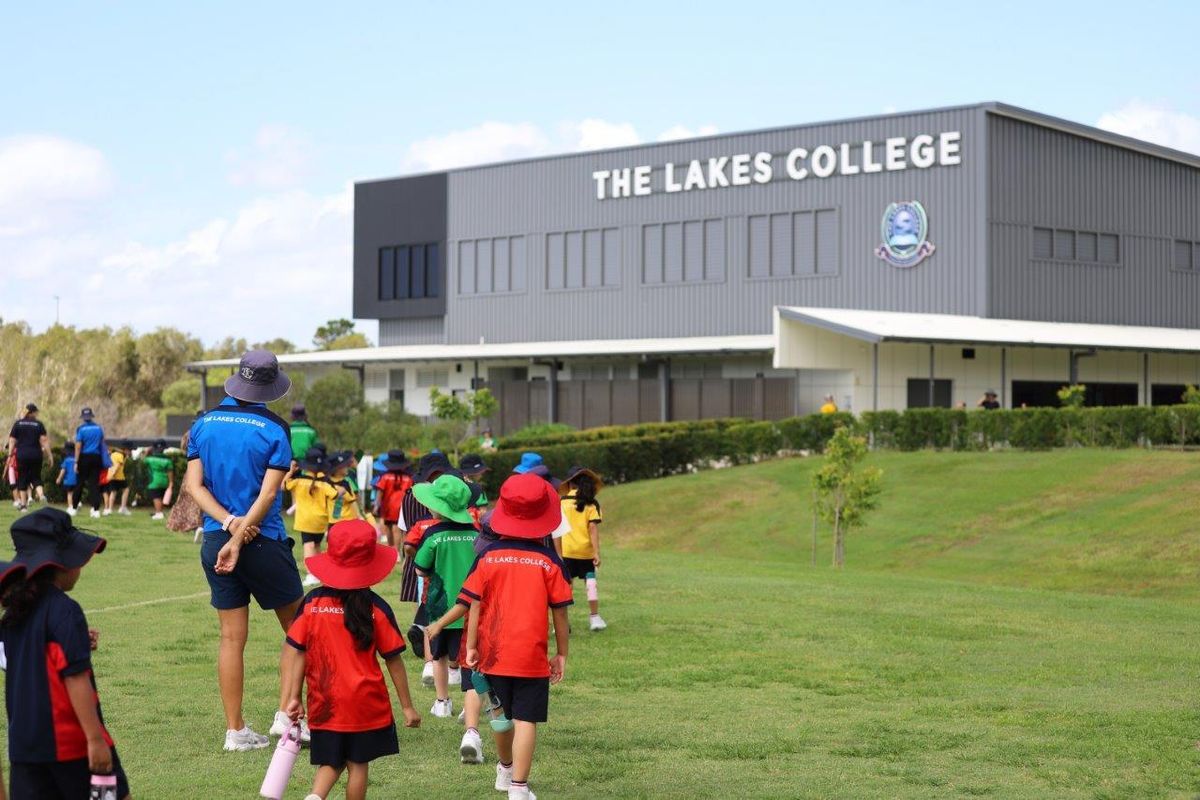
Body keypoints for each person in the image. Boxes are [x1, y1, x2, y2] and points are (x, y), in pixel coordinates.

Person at [183, 349, 307, 752]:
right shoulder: (275, 428)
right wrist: (241, 534)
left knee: (230, 639)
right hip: (263, 541)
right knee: (301, 631)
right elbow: (270, 494)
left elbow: (194, 487)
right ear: (272, 386)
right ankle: (288, 716)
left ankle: (235, 731)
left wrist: (228, 525)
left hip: (216, 539)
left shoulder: (203, 423)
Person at [427, 473, 572, 800]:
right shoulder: (549, 561)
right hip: (530, 656)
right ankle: (519, 786)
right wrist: (562, 653)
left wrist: (472, 646)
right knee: (526, 720)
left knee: (500, 715)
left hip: (492, 655)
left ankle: (505, 769)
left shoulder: (487, 557)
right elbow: (560, 613)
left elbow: (472, 603)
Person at [281, 519, 420, 800]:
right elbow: (394, 660)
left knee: (331, 760)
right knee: (358, 763)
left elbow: (298, 651)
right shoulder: (377, 608)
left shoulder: (312, 603)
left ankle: (315, 796)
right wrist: (407, 707)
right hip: (365, 703)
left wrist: (293, 696)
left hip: (324, 701)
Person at [1, 508, 131, 799]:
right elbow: (75, 679)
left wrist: (77, 641)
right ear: (63, 564)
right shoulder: (66, 611)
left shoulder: (14, 612)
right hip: (75, 745)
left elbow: (25, 658)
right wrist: (95, 740)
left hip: (24, 749)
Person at [412, 475, 479, 727]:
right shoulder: (476, 533)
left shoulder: (433, 534)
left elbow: (420, 568)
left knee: (438, 656)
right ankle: (471, 704)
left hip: (440, 607)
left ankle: (442, 702)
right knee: (471, 657)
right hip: (471, 608)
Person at [556, 466, 607, 632]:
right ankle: (595, 618)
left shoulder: (561, 503)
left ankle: (562, 623)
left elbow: (556, 529)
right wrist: (596, 552)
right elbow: (593, 528)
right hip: (586, 552)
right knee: (590, 582)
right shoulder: (592, 504)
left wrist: (557, 553)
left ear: (570, 484)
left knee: (566, 586)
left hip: (566, 552)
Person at [284, 449, 337, 588]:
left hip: (305, 520)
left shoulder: (298, 481)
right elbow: (335, 495)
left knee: (308, 546)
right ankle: (319, 572)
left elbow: (283, 485)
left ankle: (311, 574)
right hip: (321, 521)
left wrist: (291, 471)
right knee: (317, 546)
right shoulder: (324, 483)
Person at [8, 403, 51, 512]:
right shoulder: (38, 424)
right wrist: (50, 455)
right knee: (36, 477)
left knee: (22, 478)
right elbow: (44, 440)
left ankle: (23, 506)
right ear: (33, 413)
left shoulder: (18, 423)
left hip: (22, 455)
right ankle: (41, 495)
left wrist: (10, 455)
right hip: (36, 455)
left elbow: (12, 440)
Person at [372, 450, 412, 549]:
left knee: (388, 527)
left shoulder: (385, 477)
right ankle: (397, 550)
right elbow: (411, 493)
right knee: (397, 528)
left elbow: (380, 492)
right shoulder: (408, 478)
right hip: (402, 507)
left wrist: (376, 506)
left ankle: (390, 548)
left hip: (388, 507)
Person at [72, 408, 106, 519]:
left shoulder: (81, 429)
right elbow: (102, 444)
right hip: (96, 457)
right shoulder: (99, 428)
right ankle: (96, 510)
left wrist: (76, 461)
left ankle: (74, 508)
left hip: (84, 457)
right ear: (91, 416)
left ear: (83, 417)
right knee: (94, 484)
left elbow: (78, 446)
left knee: (80, 483)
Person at [143, 440, 174, 521]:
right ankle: (159, 512)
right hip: (165, 481)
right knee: (160, 496)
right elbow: (170, 472)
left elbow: (142, 460)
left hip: (154, 481)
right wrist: (171, 482)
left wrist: (146, 452)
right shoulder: (168, 460)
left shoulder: (150, 459)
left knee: (156, 497)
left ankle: (159, 513)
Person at [104, 440, 131, 516]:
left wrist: (110, 476)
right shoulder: (121, 455)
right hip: (118, 476)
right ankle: (123, 508)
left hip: (111, 476)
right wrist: (113, 473)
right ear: (125, 449)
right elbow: (117, 466)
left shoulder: (113, 454)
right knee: (126, 489)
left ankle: (110, 509)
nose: (130, 452)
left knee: (113, 492)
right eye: (129, 450)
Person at [56, 444, 78, 515]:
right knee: (75, 493)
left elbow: (63, 470)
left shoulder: (66, 460)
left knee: (69, 494)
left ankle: (70, 507)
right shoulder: (76, 460)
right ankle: (77, 504)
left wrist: (59, 478)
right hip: (77, 480)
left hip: (68, 480)